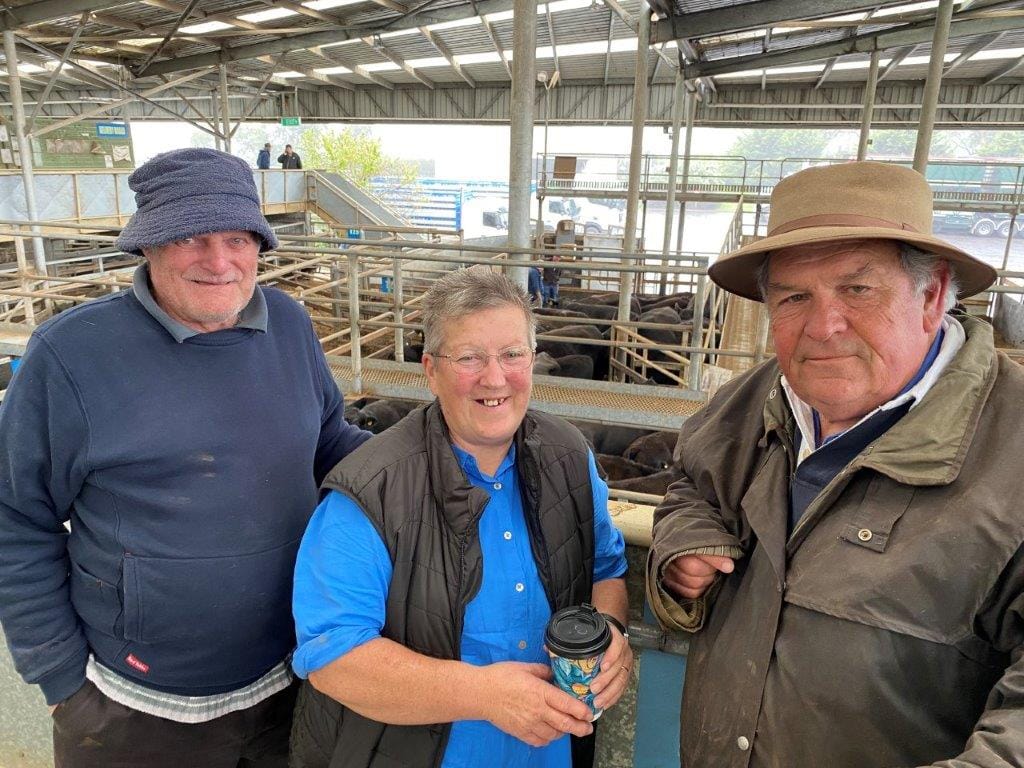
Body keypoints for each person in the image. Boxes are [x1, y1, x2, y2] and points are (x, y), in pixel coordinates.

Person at [0, 147, 371, 768]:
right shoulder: (71, 356)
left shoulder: (288, 323)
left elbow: (329, 441)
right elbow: (15, 515)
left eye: (237, 238)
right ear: (147, 246)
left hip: (289, 677)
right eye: (190, 239)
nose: (219, 261)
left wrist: (437, 460)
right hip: (132, 706)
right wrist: (61, 681)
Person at [647, 160, 1024, 768]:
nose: (823, 326)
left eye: (857, 289)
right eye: (795, 296)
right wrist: (685, 539)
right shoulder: (752, 400)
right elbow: (691, 481)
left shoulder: (1012, 445)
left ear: (931, 294)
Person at [289, 266, 631, 768]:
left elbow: (606, 568)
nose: (495, 378)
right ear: (430, 369)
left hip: (550, 753)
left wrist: (610, 636)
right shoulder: (368, 490)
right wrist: (485, 694)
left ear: (533, 361)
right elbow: (334, 659)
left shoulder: (569, 454)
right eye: (469, 357)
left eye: (512, 354)